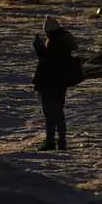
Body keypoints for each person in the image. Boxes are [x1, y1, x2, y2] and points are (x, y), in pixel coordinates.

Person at [31, 15, 77, 151]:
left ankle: (51, 141)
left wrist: (39, 48)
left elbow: (48, 63)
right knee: (58, 113)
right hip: (59, 84)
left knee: (51, 114)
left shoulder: (55, 43)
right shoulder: (62, 42)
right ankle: (61, 141)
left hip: (50, 84)